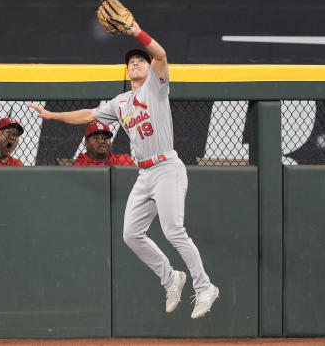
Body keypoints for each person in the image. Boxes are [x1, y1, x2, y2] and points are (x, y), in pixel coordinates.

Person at [28, 19, 219, 319]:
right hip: (144, 174)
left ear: (148, 66)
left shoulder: (156, 87)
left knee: (172, 229)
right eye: (131, 61)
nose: (135, 63)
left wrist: (135, 31)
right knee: (131, 234)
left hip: (167, 167)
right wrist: (53, 115)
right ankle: (171, 278)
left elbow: (162, 55)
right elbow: (88, 114)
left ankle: (205, 286)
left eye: (140, 60)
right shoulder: (121, 103)